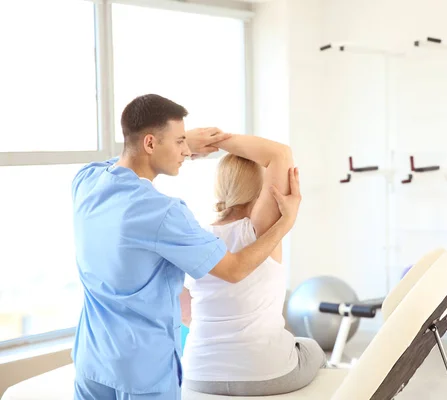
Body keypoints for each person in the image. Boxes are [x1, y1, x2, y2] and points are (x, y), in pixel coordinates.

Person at [71, 94, 302, 400]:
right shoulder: (163, 213)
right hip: (143, 371)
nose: (185, 151)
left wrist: (183, 140)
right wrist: (284, 225)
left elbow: (124, 158)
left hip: (93, 359)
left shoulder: (86, 182)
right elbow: (233, 270)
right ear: (151, 143)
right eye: (179, 142)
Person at [180, 134, 326, 396]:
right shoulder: (260, 230)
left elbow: (184, 312)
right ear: (261, 191)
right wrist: (219, 138)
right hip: (266, 372)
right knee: (311, 349)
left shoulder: (195, 236)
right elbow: (280, 154)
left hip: (198, 372)